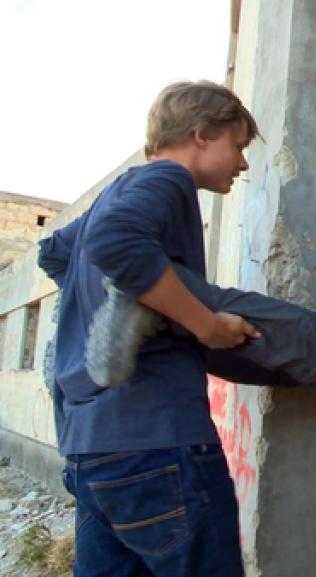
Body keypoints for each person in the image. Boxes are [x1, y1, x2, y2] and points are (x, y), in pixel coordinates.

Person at [35, 81, 260, 577]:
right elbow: (117, 242)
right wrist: (204, 324)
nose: (242, 164)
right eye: (238, 147)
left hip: (89, 451)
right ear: (201, 135)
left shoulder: (116, 194)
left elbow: (53, 253)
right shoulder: (168, 181)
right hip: (159, 442)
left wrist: (132, 297)